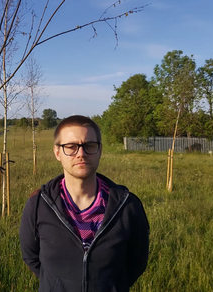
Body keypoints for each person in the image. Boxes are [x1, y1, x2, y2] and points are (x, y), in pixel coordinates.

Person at [19, 115, 149, 292]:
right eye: (71, 147)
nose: (81, 153)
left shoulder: (128, 206)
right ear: (57, 153)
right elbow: (31, 258)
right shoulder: (38, 205)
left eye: (89, 146)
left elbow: (137, 263)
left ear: (100, 150)